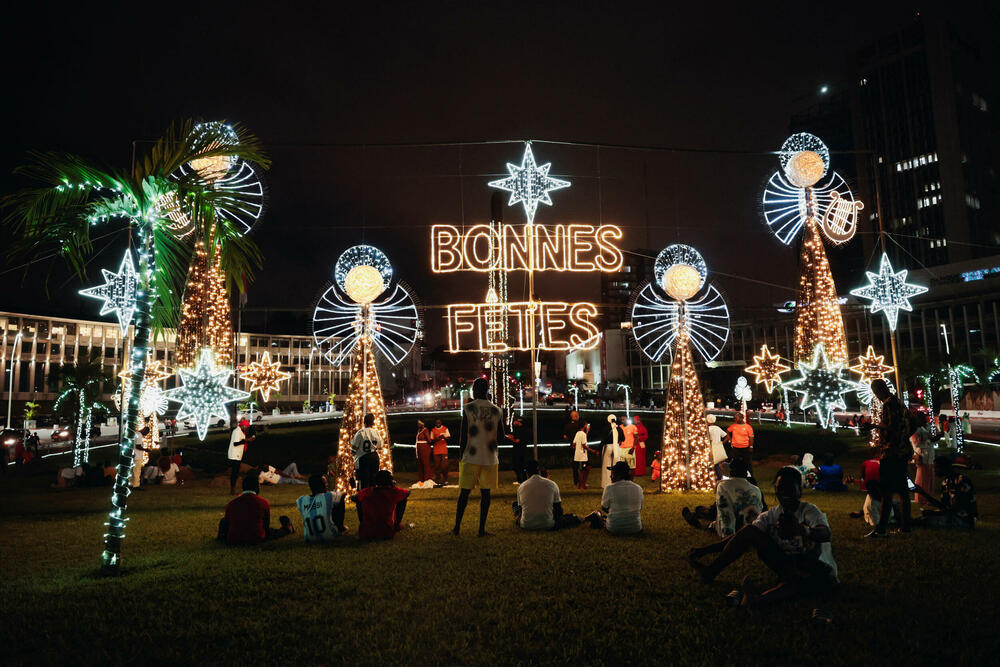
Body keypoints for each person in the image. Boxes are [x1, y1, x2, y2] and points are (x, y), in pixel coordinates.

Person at [689, 466, 837, 608]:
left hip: (814, 566)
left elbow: (825, 533)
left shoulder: (809, 510)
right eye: (780, 488)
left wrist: (802, 530)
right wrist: (705, 550)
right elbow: (742, 536)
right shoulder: (770, 515)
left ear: (799, 490)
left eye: (790, 488)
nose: (784, 492)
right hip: (786, 564)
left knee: (797, 582)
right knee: (750, 530)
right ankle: (711, 571)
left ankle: (758, 600)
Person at [452, 378, 504, 537]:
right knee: (486, 494)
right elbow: (501, 437)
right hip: (490, 457)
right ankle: (481, 529)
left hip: (471, 455)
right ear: (487, 389)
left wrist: (461, 455)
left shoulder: (468, 408)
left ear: (474, 390)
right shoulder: (497, 410)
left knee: (464, 494)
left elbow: (463, 436)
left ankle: (457, 527)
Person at [868, 379, 913, 537]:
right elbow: (910, 424)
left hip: (891, 452)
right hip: (902, 451)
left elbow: (891, 427)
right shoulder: (899, 403)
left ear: (878, 391)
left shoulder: (888, 404)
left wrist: (874, 426)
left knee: (886, 491)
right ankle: (905, 526)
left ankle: (881, 529)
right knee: (902, 491)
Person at [682, 458, 764, 536]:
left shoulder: (723, 485)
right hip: (752, 531)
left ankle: (700, 524)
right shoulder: (756, 489)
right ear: (746, 473)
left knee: (711, 525)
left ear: (731, 472)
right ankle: (702, 517)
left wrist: (727, 534)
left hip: (734, 530)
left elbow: (724, 511)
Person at [217, 473, 293, 545]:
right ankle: (287, 529)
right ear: (257, 487)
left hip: (234, 539)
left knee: (223, 521)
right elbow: (265, 525)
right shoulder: (263, 502)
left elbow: (227, 523)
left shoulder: (232, 503)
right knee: (273, 532)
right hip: (257, 537)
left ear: (243, 487)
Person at [912, 456, 977, 529]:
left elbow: (956, 508)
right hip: (953, 515)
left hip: (964, 520)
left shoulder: (962, 481)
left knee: (927, 520)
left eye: (936, 467)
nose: (934, 470)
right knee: (925, 518)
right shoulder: (945, 483)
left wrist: (935, 513)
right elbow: (943, 505)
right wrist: (921, 492)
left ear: (945, 467)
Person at [513, 460, 577, 530]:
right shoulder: (552, 484)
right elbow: (558, 509)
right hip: (548, 524)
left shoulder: (521, 486)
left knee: (515, 505)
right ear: (539, 470)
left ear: (526, 472)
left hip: (526, 524)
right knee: (569, 518)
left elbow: (520, 511)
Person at [585, 461, 643, 535]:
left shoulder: (609, 488)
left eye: (612, 474)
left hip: (614, 528)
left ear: (618, 476)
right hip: (636, 528)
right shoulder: (638, 488)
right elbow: (640, 507)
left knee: (598, 515)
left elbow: (604, 507)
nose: (610, 476)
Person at [354, 469, 410, 540]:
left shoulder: (368, 491)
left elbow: (354, 497)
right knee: (403, 499)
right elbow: (407, 493)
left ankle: (363, 522)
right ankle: (397, 524)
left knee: (359, 500)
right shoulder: (393, 491)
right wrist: (393, 487)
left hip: (366, 532)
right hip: (386, 532)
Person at [297, 474, 347, 542]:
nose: (327, 484)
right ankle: (341, 528)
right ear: (323, 485)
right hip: (330, 535)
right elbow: (343, 494)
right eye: (325, 483)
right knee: (340, 499)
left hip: (308, 538)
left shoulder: (301, 500)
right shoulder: (328, 496)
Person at [910, 413, 939, 506]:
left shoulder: (923, 428)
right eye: (922, 418)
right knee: (922, 478)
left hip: (928, 456)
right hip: (922, 456)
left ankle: (928, 497)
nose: (925, 420)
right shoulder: (915, 430)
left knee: (929, 477)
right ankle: (921, 498)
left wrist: (932, 439)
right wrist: (930, 440)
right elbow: (916, 444)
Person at [351, 413, 383, 490]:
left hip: (363, 458)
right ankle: (373, 498)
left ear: (364, 422)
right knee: (373, 480)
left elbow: (354, 447)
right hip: (374, 457)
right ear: (373, 422)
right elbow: (380, 446)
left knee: (364, 481)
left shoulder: (360, 432)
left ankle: (365, 498)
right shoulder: (376, 432)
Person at [723, 411, 754, 476]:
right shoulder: (733, 426)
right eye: (734, 418)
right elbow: (728, 431)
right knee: (735, 462)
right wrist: (730, 440)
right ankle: (735, 474)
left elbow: (751, 437)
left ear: (741, 418)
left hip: (745, 447)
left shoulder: (748, 427)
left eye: (736, 418)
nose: (735, 420)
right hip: (735, 447)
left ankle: (750, 476)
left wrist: (751, 446)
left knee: (747, 462)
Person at [228, 419, 254, 495]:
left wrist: (248, 440)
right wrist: (247, 440)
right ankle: (232, 490)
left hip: (237, 455)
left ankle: (233, 489)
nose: (247, 428)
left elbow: (241, 441)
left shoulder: (240, 431)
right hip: (234, 455)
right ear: (243, 425)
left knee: (235, 472)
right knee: (234, 472)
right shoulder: (237, 431)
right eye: (246, 426)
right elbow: (235, 443)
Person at [601, 415, 624, 488]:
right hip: (616, 447)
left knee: (606, 465)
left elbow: (603, 439)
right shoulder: (619, 428)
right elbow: (623, 438)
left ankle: (606, 483)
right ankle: (617, 482)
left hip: (608, 447)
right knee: (616, 465)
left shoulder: (605, 428)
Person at [572, 422, 597, 489]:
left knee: (586, 468)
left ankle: (582, 484)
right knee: (582, 470)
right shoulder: (583, 434)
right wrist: (592, 451)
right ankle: (581, 485)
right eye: (586, 425)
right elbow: (584, 445)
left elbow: (573, 444)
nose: (587, 426)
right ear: (583, 426)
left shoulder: (578, 433)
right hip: (582, 456)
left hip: (578, 455)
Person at [563, 410, 585, 485]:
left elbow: (565, 436)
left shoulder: (567, 425)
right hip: (580, 447)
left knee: (574, 464)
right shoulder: (579, 425)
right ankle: (581, 481)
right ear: (576, 416)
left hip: (572, 446)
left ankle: (576, 480)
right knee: (582, 464)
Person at [706, 414, 728, 480]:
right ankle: (719, 477)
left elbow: (709, 439)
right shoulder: (717, 428)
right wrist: (722, 443)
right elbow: (727, 436)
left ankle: (713, 478)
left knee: (711, 464)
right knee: (716, 464)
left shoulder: (708, 429)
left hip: (711, 448)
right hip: (718, 447)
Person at [430, 419, 451, 487]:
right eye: (437, 422)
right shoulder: (433, 430)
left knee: (444, 466)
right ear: (435, 423)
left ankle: (445, 479)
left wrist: (444, 437)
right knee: (437, 466)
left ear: (441, 423)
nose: (438, 423)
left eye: (439, 422)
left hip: (444, 450)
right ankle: (438, 480)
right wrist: (438, 438)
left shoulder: (445, 428)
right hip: (436, 450)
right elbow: (431, 440)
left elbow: (449, 438)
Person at [509, 415, 528, 484]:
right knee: (520, 465)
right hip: (520, 449)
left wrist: (512, 438)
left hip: (519, 449)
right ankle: (522, 479)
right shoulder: (520, 429)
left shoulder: (521, 430)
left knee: (518, 465)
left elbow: (517, 440)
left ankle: (521, 480)